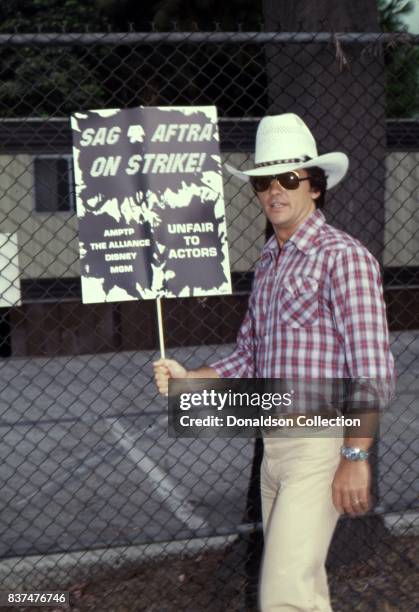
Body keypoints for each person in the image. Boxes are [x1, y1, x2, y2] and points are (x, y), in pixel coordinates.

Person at [153, 113, 395, 611]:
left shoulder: (343, 256)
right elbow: (248, 354)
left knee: (282, 595)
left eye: (288, 179)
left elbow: (371, 371)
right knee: (301, 588)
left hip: (321, 443)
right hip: (275, 445)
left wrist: (355, 457)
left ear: (315, 187)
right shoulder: (269, 261)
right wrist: (190, 380)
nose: (274, 191)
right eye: (264, 181)